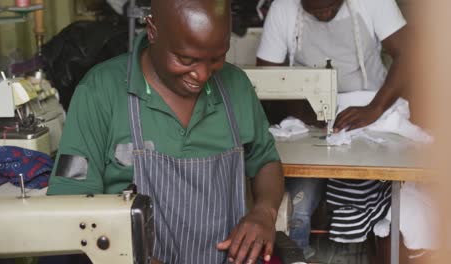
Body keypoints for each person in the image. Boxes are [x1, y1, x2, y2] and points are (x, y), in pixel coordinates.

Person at [47, 0, 284, 263]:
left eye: (216, 58)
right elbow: (72, 207)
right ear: (152, 31)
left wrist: (264, 212)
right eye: (186, 59)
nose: (203, 74)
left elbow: (265, 160)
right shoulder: (100, 92)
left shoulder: (236, 86)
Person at [256, 0, 407, 258]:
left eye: (329, 6)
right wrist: (302, 111)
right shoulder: (284, 8)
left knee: (378, 195)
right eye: (314, 9)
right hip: (309, 115)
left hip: (369, 110)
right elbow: (267, 77)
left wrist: (376, 108)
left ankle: (358, 249)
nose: (323, 14)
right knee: (296, 206)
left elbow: (411, 54)